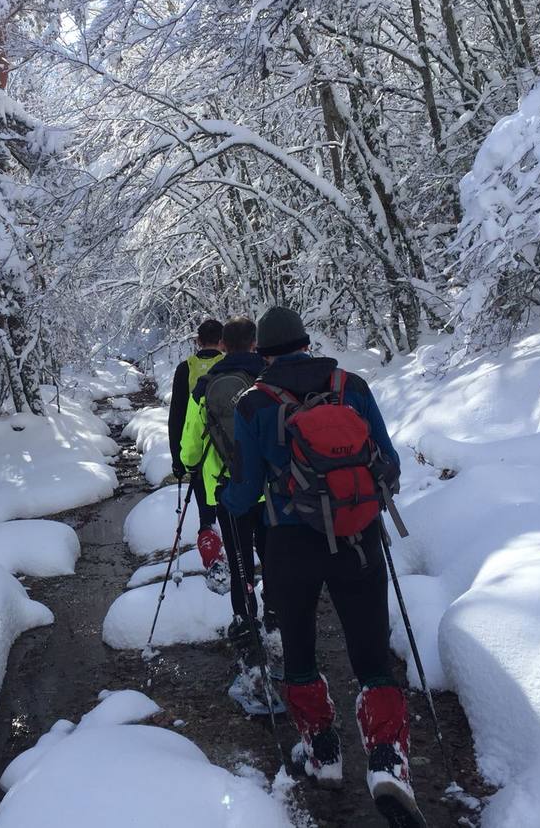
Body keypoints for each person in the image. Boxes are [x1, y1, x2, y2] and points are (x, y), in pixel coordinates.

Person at [222, 306, 425, 828]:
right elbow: (389, 462)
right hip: (358, 538)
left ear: (262, 353)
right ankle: (387, 762)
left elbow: (244, 494)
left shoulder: (254, 404)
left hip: (289, 542)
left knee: (299, 646)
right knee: (371, 650)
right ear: (307, 343)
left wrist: (228, 495)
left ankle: (323, 753)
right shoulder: (350, 386)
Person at [178, 317, 269, 630]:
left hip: (226, 487)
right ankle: (276, 611)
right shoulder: (267, 377)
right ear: (254, 343)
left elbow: (190, 445)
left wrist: (190, 465)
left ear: (224, 347)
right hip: (269, 486)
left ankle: (245, 618)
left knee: (239, 554)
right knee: (271, 551)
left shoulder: (206, 385)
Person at [167, 318, 226, 590]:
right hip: (230, 452)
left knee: (206, 510)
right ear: (222, 341)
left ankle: (212, 554)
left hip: (198, 453)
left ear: (198, 341)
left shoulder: (186, 368)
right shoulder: (230, 365)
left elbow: (177, 416)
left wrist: (178, 459)